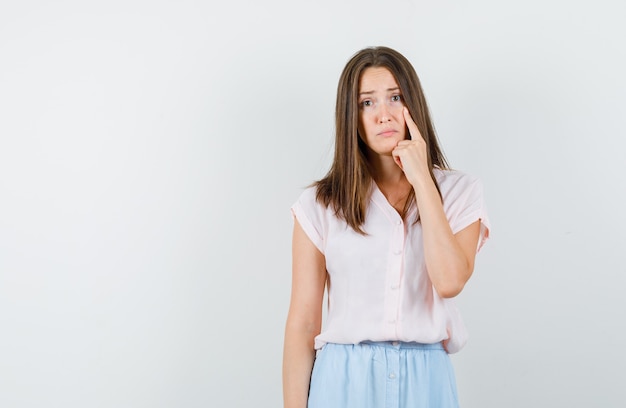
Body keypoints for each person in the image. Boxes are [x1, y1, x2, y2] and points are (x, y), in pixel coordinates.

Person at [282, 46, 490, 408]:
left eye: (395, 97)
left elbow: (450, 280)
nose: (383, 115)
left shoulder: (460, 192)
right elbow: (302, 323)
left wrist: (422, 179)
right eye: (367, 103)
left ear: (413, 104)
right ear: (352, 117)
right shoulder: (320, 204)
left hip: (427, 381)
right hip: (343, 379)